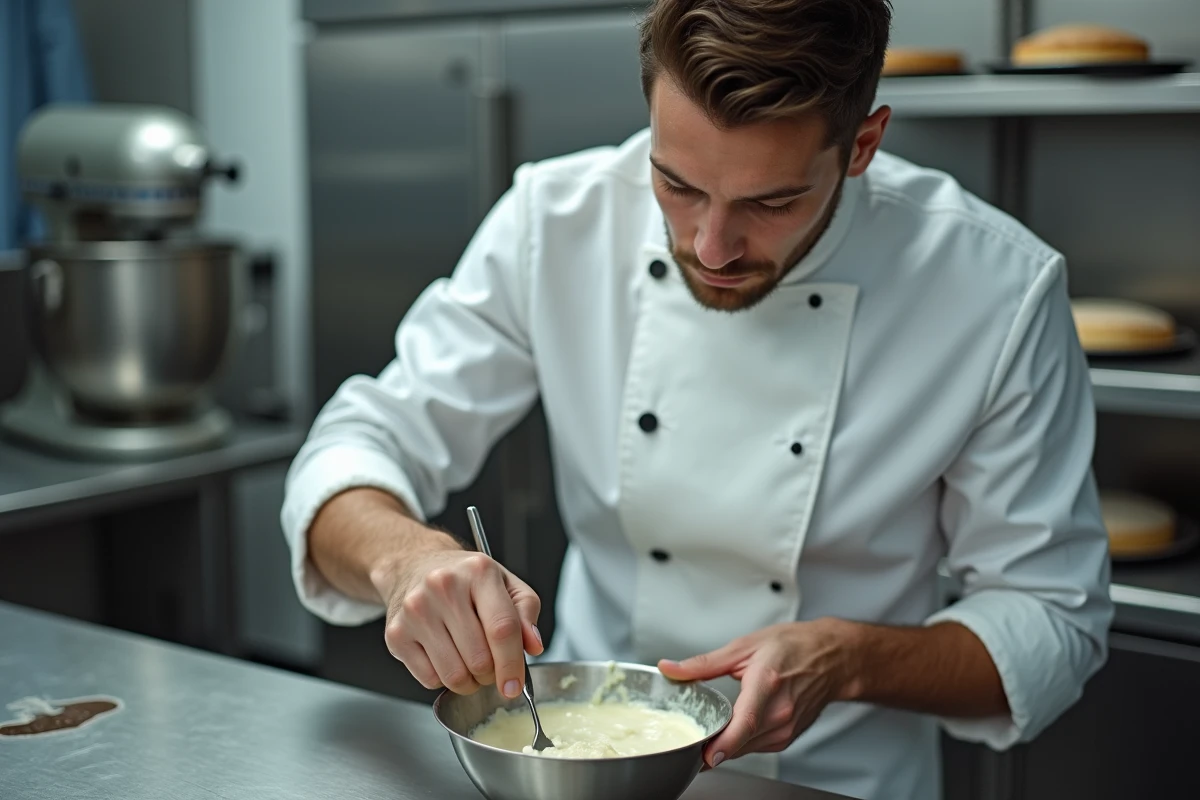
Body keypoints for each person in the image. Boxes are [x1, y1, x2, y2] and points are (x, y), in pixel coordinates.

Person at [281, 1, 1113, 797]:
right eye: (675, 184)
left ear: (862, 145)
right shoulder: (557, 219)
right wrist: (406, 560)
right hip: (573, 762)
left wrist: (848, 659)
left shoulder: (994, 288)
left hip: (831, 783)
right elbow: (355, 447)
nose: (711, 247)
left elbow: (1053, 621)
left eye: (771, 202)